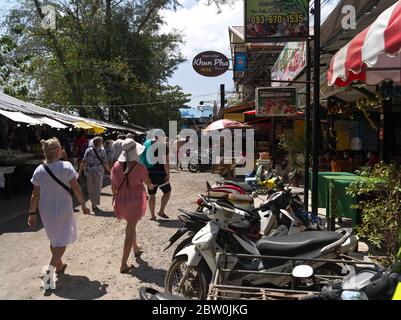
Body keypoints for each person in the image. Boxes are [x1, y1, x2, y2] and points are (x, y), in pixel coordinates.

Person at [28, 138, 90, 277]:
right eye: (61, 147)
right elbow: (76, 188)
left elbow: (35, 194)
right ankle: (49, 271)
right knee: (62, 239)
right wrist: (83, 205)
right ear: (57, 151)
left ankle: (59, 264)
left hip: (46, 209)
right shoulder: (66, 166)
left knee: (54, 238)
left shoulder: (39, 170)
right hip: (63, 208)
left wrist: (32, 213)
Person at [111, 138, 154, 273]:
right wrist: (150, 186)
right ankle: (123, 264)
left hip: (121, 200)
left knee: (131, 224)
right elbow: (148, 182)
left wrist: (117, 197)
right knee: (129, 231)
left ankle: (136, 248)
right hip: (135, 201)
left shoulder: (116, 166)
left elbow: (113, 186)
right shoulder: (139, 167)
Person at [140, 129, 171, 220]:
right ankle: (161, 211)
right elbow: (166, 162)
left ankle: (152, 215)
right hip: (160, 173)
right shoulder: (164, 146)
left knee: (152, 195)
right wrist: (168, 174)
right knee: (167, 191)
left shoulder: (146, 144)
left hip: (149, 173)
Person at [78, 136, 111, 212]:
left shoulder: (88, 150)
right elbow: (105, 162)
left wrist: (80, 171)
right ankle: (94, 204)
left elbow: (84, 161)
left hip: (89, 171)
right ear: (100, 143)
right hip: (98, 172)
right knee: (97, 187)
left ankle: (93, 202)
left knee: (90, 187)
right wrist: (110, 170)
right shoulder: (102, 150)